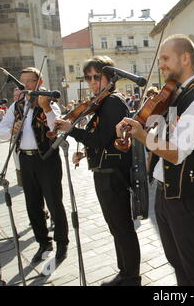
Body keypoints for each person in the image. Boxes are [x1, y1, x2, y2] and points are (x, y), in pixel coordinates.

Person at [116, 34, 194, 286]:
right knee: (177, 261)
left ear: (185, 58)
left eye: (165, 58)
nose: (161, 65)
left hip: (188, 197)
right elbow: (161, 139)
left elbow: (175, 152)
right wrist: (137, 131)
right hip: (166, 195)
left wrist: (141, 135)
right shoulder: (174, 97)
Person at [55, 56, 141, 286]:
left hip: (114, 175)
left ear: (109, 77)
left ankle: (131, 276)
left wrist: (70, 130)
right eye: (88, 78)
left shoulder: (113, 102)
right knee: (115, 227)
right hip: (104, 172)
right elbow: (102, 137)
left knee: (122, 227)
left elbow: (102, 139)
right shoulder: (101, 104)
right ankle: (125, 272)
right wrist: (84, 151)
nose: (92, 82)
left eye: (97, 77)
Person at [0, 67, 69, 264]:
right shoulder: (17, 105)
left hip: (46, 159)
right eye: (23, 81)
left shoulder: (49, 101)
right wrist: (11, 129)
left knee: (54, 203)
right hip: (25, 160)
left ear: (39, 82)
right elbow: (0, 131)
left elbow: (56, 127)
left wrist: (45, 108)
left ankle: (62, 243)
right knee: (32, 204)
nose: (25, 85)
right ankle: (43, 243)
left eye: (30, 81)